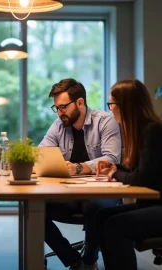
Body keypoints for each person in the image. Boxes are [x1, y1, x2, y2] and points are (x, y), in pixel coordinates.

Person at [39, 78, 122, 270]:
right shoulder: (59, 125)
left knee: (96, 207)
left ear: (80, 102)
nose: (60, 113)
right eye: (56, 108)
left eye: (63, 107)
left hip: (101, 192)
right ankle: (73, 260)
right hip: (69, 194)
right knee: (34, 208)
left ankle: (89, 260)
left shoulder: (105, 121)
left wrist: (78, 168)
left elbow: (112, 159)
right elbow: (42, 152)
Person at [95, 79, 162, 270]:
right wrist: (115, 168)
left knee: (115, 225)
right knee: (102, 217)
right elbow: (139, 171)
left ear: (125, 105)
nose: (110, 109)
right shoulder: (142, 131)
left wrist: (115, 173)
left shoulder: (154, 131)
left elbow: (142, 178)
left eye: (112, 104)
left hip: (158, 206)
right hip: (151, 204)